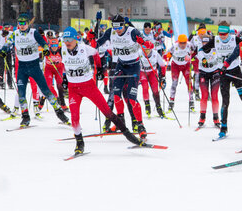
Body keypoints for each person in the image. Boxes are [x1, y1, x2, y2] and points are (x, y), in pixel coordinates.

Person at [59, 27, 144, 155]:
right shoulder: (63, 50)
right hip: (73, 89)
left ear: (76, 39)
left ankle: (128, 134)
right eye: (65, 40)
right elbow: (64, 65)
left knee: (107, 112)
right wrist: (65, 78)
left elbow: (95, 53)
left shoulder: (84, 48)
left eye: (69, 39)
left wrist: (99, 68)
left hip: (88, 86)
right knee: (74, 117)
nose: (67, 42)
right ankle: (79, 143)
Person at [95, 13, 148, 139]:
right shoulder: (111, 32)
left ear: (124, 25)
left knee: (131, 98)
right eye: (115, 27)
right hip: (120, 66)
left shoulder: (132, 32)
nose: (117, 30)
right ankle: (120, 121)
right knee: (116, 95)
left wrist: (143, 42)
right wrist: (91, 42)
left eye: (119, 27)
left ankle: (140, 125)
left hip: (134, 67)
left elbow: (147, 45)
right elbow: (98, 43)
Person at [12, 14, 70, 128]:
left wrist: (46, 50)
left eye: (24, 23)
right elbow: (7, 42)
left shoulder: (33, 33)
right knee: (21, 93)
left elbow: (43, 43)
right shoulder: (15, 34)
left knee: (46, 91)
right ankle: (25, 117)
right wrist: (1, 50)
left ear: (28, 23)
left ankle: (60, 114)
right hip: (22, 68)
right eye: (20, 23)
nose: (22, 25)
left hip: (34, 66)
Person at [211, 21, 242, 138]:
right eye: (220, 33)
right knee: (225, 102)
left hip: (235, 71)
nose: (222, 36)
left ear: (229, 32)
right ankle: (223, 127)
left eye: (225, 33)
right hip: (223, 73)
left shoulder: (235, 39)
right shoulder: (215, 39)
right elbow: (202, 49)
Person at [195, 31, 221, 128]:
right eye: (203, 43)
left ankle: (216, 118)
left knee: (214, 96)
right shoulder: (200, 49)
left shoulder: (215, 49)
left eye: (207, 43)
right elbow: (201, 56)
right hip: (203, 73)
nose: (205, 45)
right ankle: (202, 117)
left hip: (215, 73)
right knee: (204, 95)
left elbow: (219, 58)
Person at [166, 33, 195, 112]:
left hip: (186, 65)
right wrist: (168, 55)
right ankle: (171, 101)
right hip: (175, 65)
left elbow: (195, 51)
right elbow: (166, 54)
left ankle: (191, 100)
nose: (182, 45)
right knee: (174, 83)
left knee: (189, 82)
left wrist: (190, 56)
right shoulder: (174, 46)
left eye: (184, 43)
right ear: (178, 42)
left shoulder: (189, 45)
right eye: (181, 43)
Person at [138, 41, 166, 118]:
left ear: (151, 49)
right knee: (145, 87)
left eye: (148, 50)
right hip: (143, 72)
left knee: (155, 90)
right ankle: (147, 105)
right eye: (144, 49)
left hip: (152, 72)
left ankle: (158, 107)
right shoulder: (139, 53)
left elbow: (162, 65)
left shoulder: (155, 54)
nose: (146, 51)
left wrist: (163, 77)